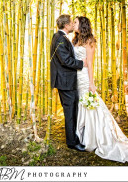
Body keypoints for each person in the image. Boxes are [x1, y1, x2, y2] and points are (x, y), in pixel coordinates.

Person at [72, 16, 128, 162]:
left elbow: (91, 64)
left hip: (85, 77)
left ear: (83, 24)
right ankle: (81, 134)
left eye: (75, 22)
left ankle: (94, 137)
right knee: (80, 104)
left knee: (90, 105)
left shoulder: (90, 41)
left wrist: (92, 83)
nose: (73, 24)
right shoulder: (75, 40)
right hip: (75, 77)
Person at [50, 14, 87, 152]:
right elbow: (65, 60)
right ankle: (72, 142)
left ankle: (74, 137)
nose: (73, 25)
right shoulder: (59, 38)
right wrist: (82, 63)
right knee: (70, 111)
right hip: (65, 82)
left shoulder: (61, 37)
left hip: (67, 80)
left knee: (72, 110)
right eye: (72, 23)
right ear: (66, 25)